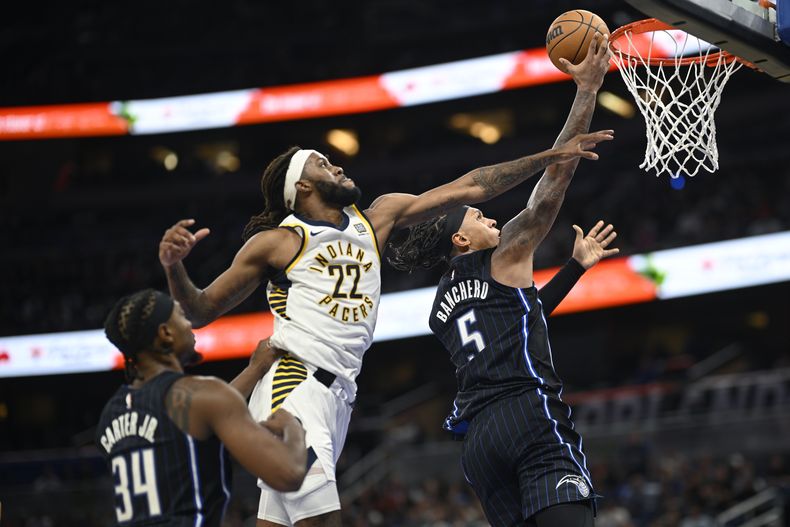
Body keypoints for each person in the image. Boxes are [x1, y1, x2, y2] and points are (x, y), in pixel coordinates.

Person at [157, 32, 613, 527]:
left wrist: (546, 159)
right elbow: (200, 310)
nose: (335, 161)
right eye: (320, 162)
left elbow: (470, 184)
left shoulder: (378, 221)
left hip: (343, 396)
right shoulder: (279, 241)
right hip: (297, 382)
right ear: (302, 187)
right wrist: (175, 267)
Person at [384, 45, 617, 527]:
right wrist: (587, 91)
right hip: (526, 411)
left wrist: (574, 269)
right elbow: (551, 187)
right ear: (460, 238)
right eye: (478, 215)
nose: (490, 217)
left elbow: (520, 318)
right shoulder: (503, 254)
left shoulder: (441, 306)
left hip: (480, 444)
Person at [97, 289, 308, 527]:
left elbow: (204, 415)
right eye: (180, 316)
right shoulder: (200, 396)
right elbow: (289, 473)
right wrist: (293, 426)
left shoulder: (112, 413)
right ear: (165, 333)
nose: (190, 324)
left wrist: (255, 369)